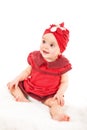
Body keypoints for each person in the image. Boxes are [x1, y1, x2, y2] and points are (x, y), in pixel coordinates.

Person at [7, 22, 72, 121]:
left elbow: (64, 82)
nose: (45, 47)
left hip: (48, 94)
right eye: (44, 41)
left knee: (55, 103)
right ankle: (21, 98)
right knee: (11, 85)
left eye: (51, 45)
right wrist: (17, 79)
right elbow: (27, 72)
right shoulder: (36, 57)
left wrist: (60, 93)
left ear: (60, 50)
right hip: (30, 87)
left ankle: (58, 114)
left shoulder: (61, 65)